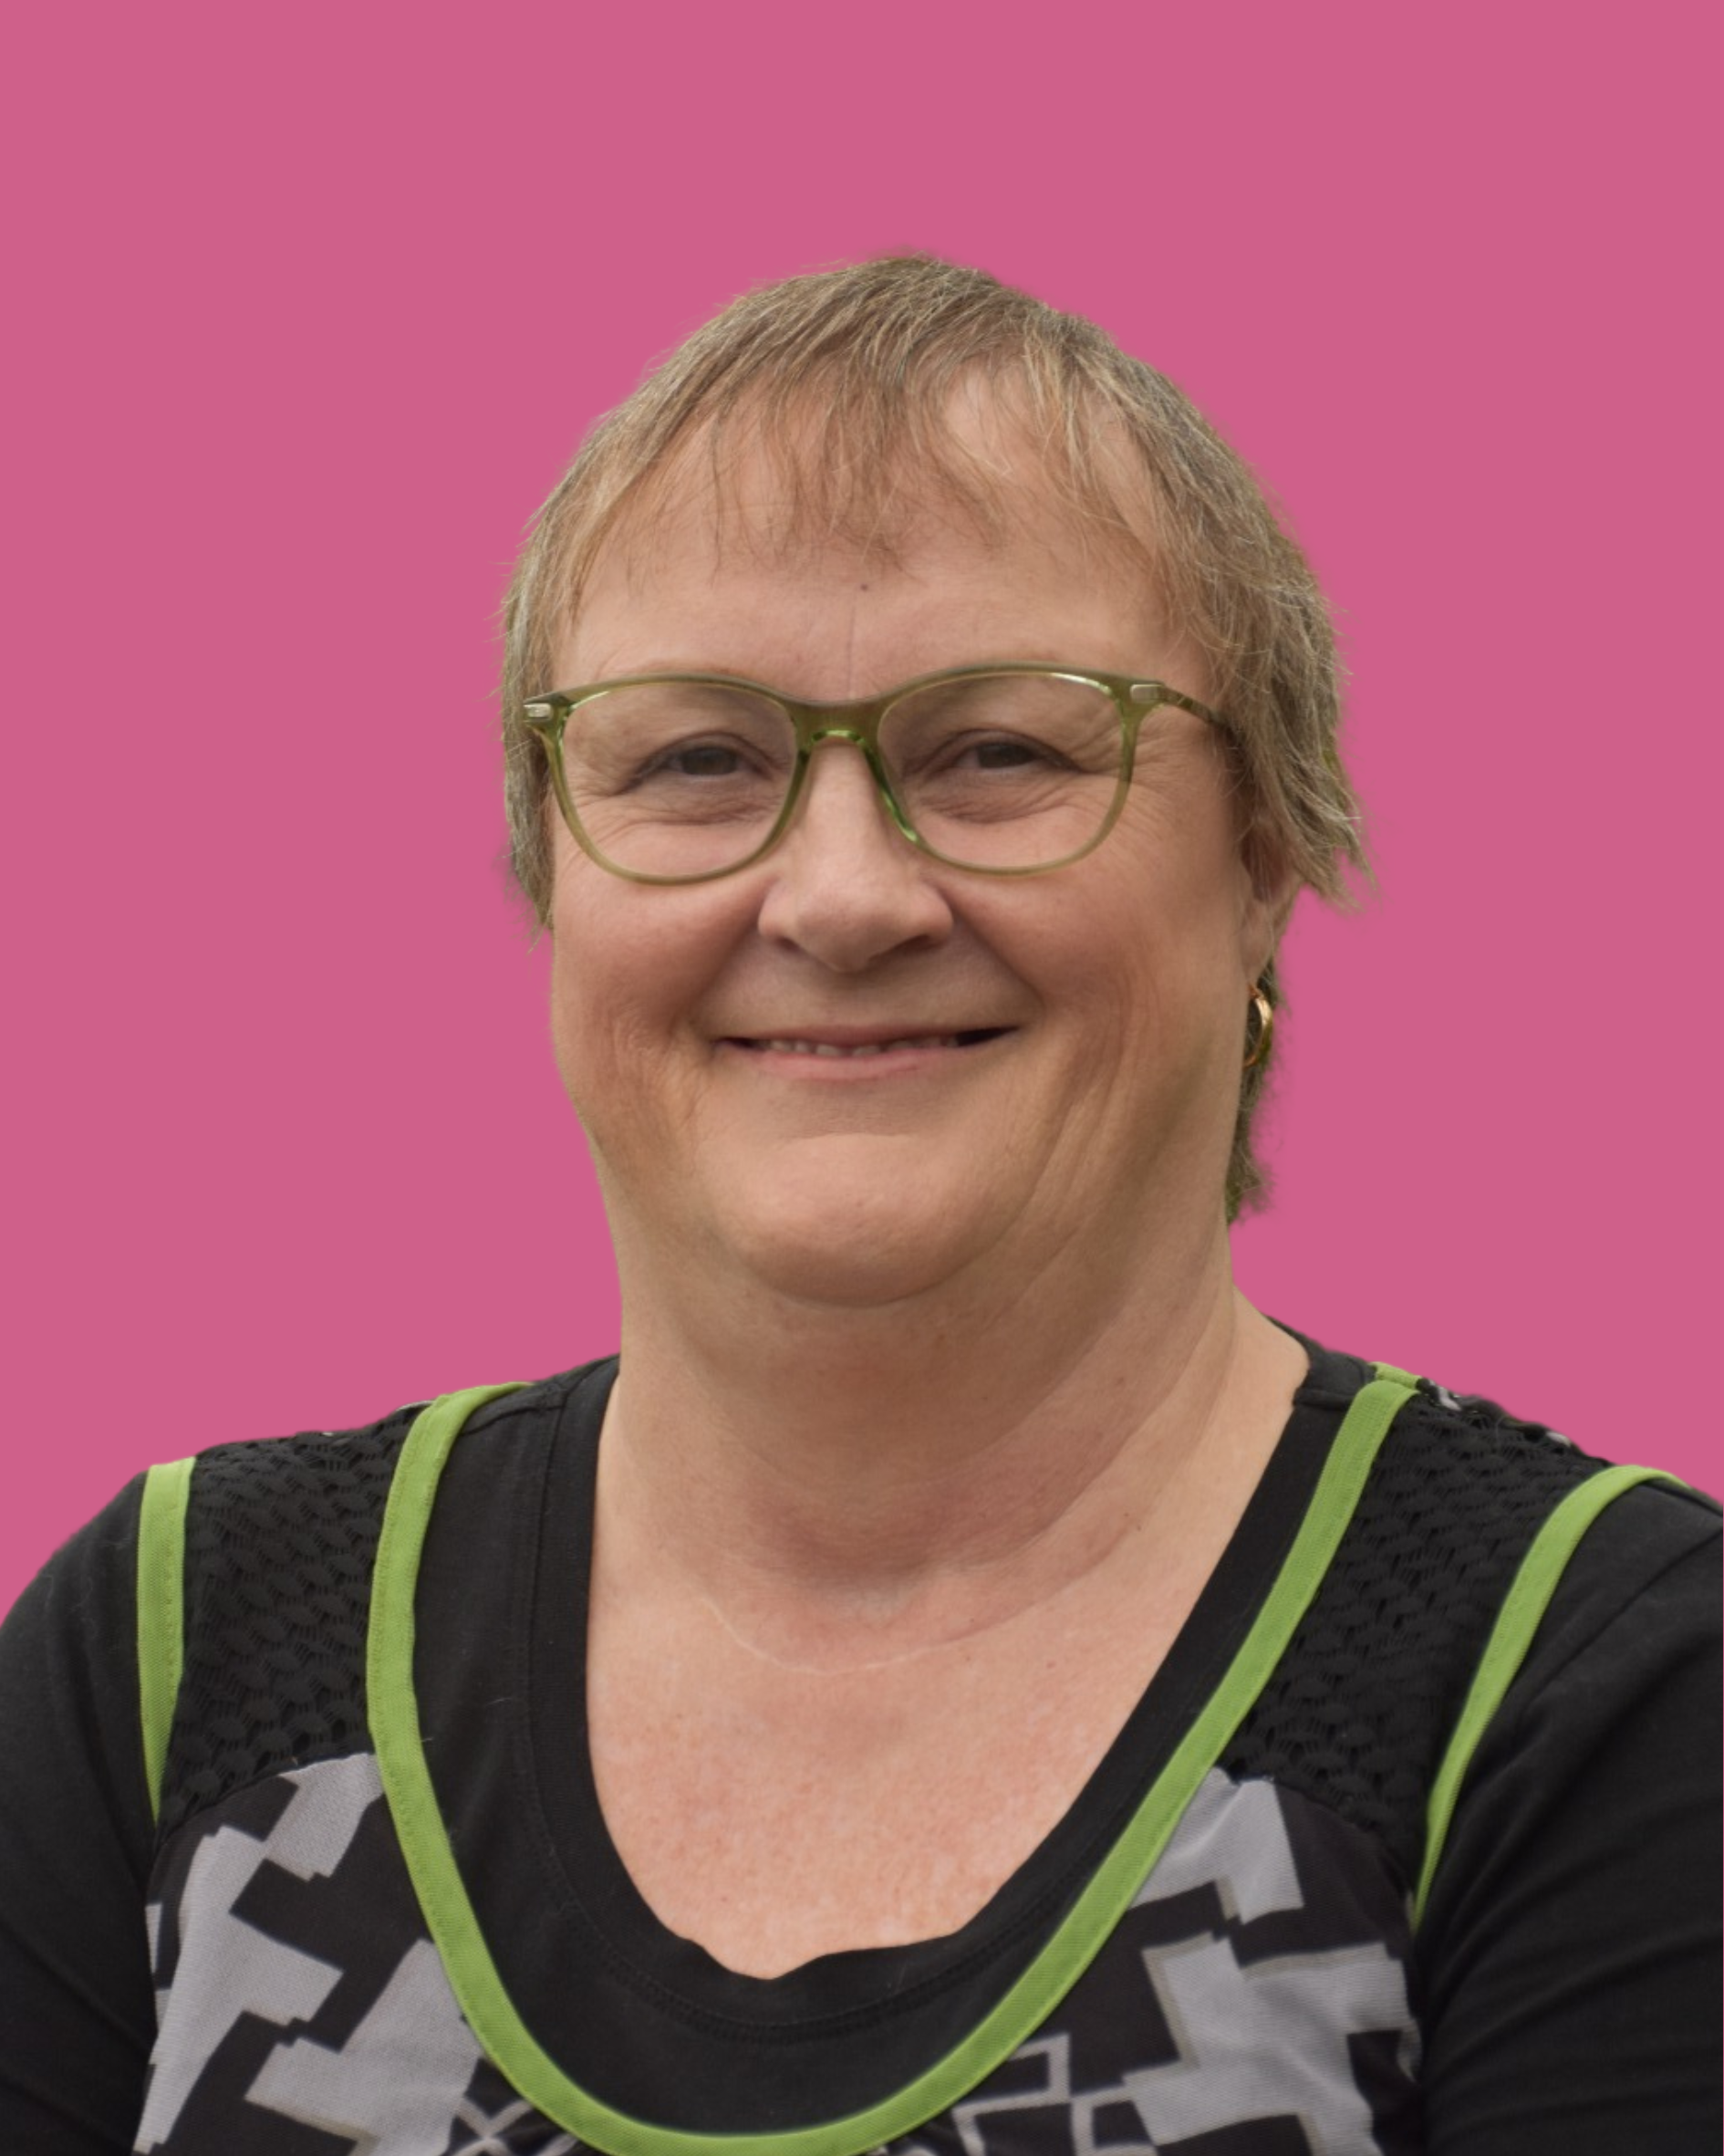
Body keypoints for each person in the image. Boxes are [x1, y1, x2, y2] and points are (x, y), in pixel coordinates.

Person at [1, 255, 1717, 2156]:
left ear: (1263, 858)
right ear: (551, 872)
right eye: (695, 759)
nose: (839, 895)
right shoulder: (173, 1651)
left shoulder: (1589, 1686)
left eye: (999, 750)